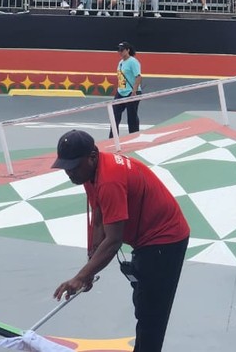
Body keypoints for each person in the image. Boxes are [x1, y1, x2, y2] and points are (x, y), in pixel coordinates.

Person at [52, 130, 189, 352]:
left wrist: (81, 276)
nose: (69, 173)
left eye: (74, 166)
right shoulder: (90, 173)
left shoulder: (109, 181)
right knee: (144, 307)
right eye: (66, 167)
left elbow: (113, 241)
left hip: (165, 240)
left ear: (92, 156)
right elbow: (99, 217)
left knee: (151, 315)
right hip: (147, 239)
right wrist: (89, 267)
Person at [110, 41, 142, 137]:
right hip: (121, 92)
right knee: (114, 115)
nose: (120, 52)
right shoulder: (121, 62)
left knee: (131, 117)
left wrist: (134, 91)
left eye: (122, 50)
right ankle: (112, 138)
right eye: (118, 50)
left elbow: (138, 77)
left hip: (131, 92)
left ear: (128, 50)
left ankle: (133, 137)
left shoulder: (133, 62)